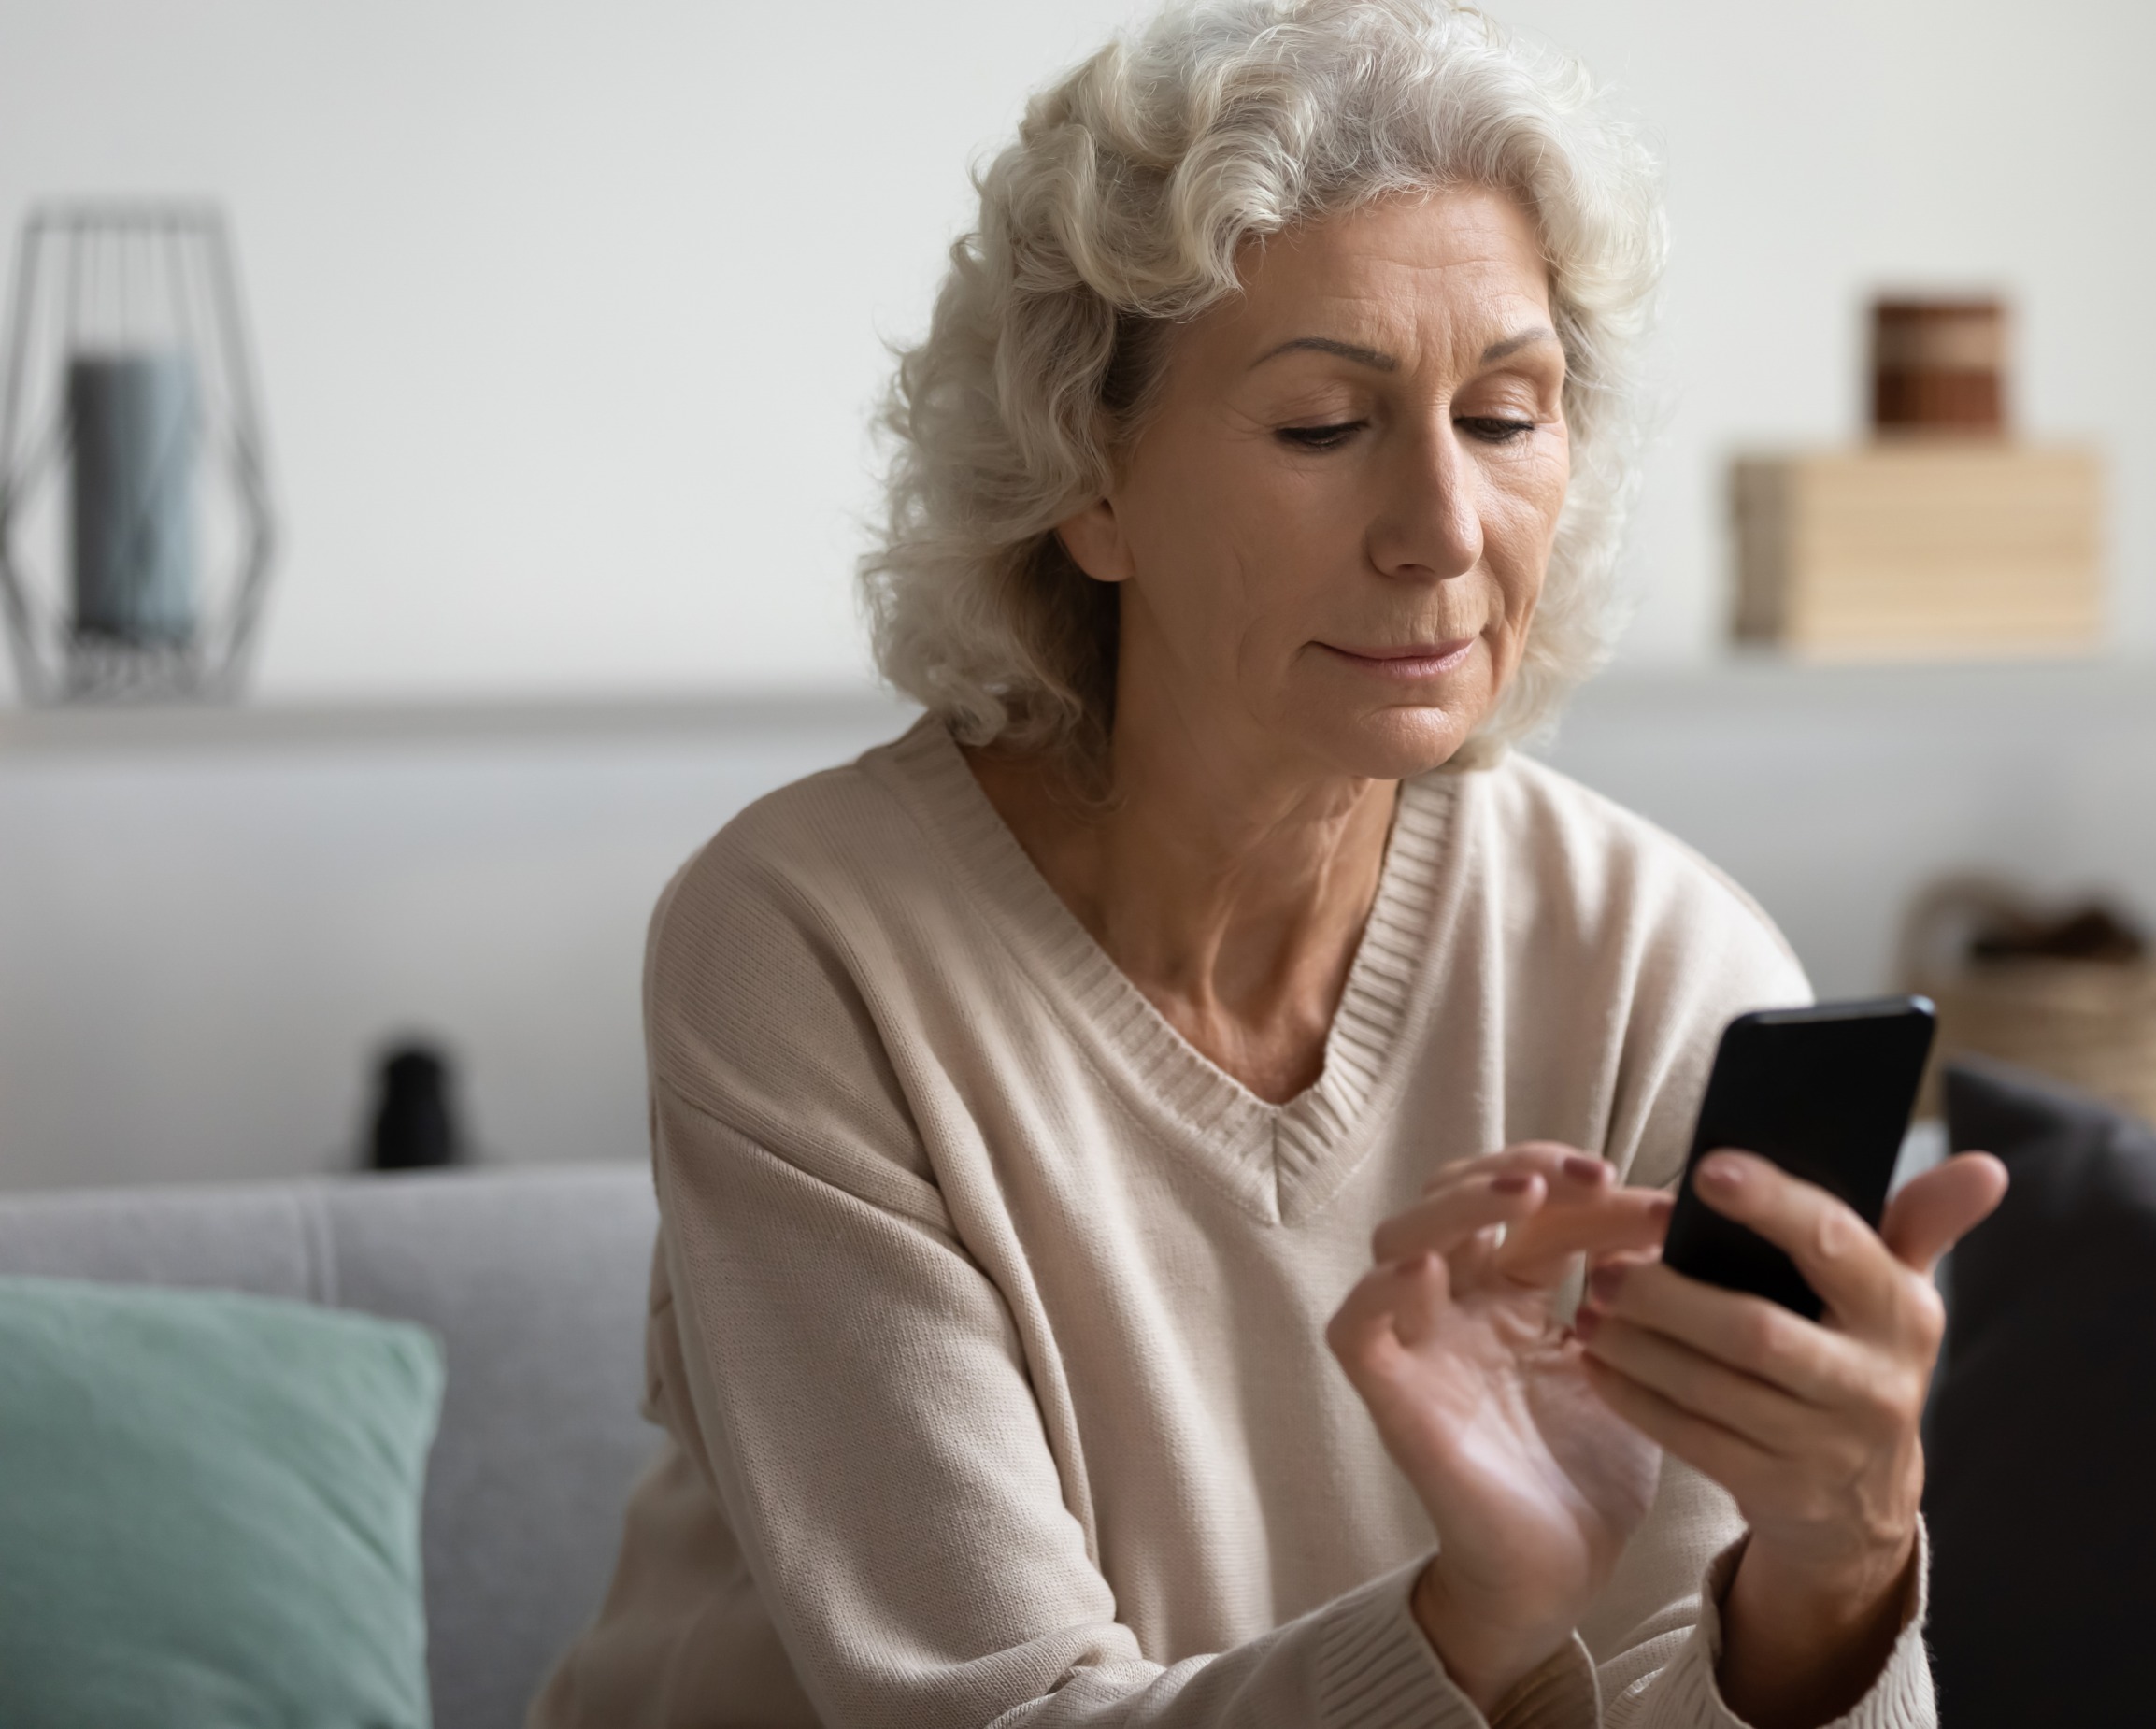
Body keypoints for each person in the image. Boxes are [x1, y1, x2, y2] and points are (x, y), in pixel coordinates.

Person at [532, 3, 2006, 1724]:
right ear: (1089, 483)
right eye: (1324, 426)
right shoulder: (811, 948)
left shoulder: (1665, 963)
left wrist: (1834, 1571)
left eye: (1508, 417)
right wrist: (1475, 1619)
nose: (1444, 528)